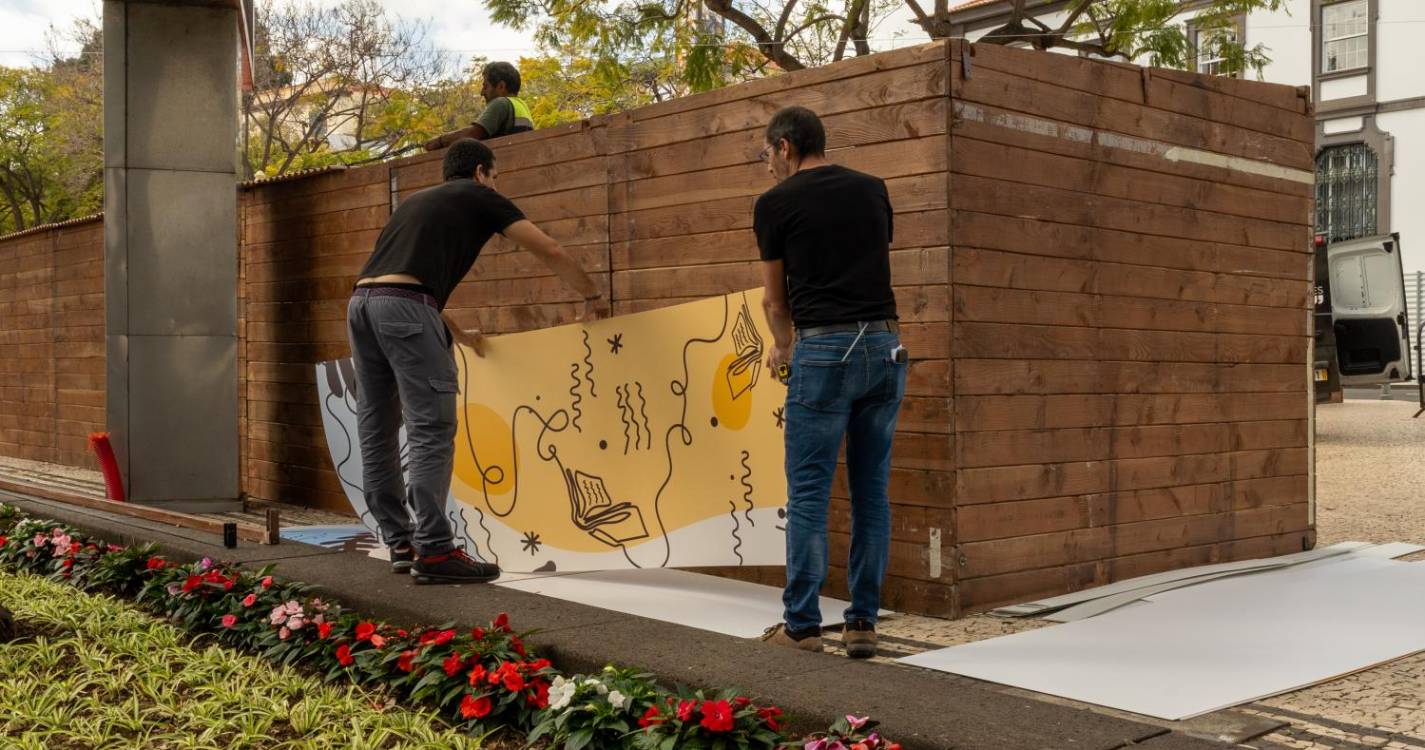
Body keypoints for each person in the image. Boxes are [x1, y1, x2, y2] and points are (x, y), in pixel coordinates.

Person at [348, 138, 610, 584]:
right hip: (406, 307)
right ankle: (434, 550)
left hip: (362, 305)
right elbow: (548, 248)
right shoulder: (479, 196)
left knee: (376, 425)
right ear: (481, 172)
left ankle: (401, 540)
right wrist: (592, 294)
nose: (495, 182)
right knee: (431, 426)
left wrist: (458, 333)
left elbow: (401, 279)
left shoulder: (415, 204)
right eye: (495, 175)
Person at [754, 106, 905, 659]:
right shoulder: (873, 189)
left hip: (823, 348)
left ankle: (801, 627)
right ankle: (863, 623)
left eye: (766, 153)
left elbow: (775, 299)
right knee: (871, 491)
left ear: (786, 146)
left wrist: (783, 345)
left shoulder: (775, 204)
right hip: (886, 346)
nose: (766, 165)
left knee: (811, 492)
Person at [424, 62, 535, 150]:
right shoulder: (522, 106)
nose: (482, 92)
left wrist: (440, 141)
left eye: (485, 86)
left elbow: (473, 134)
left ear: (501, 86)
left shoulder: (501, 103)